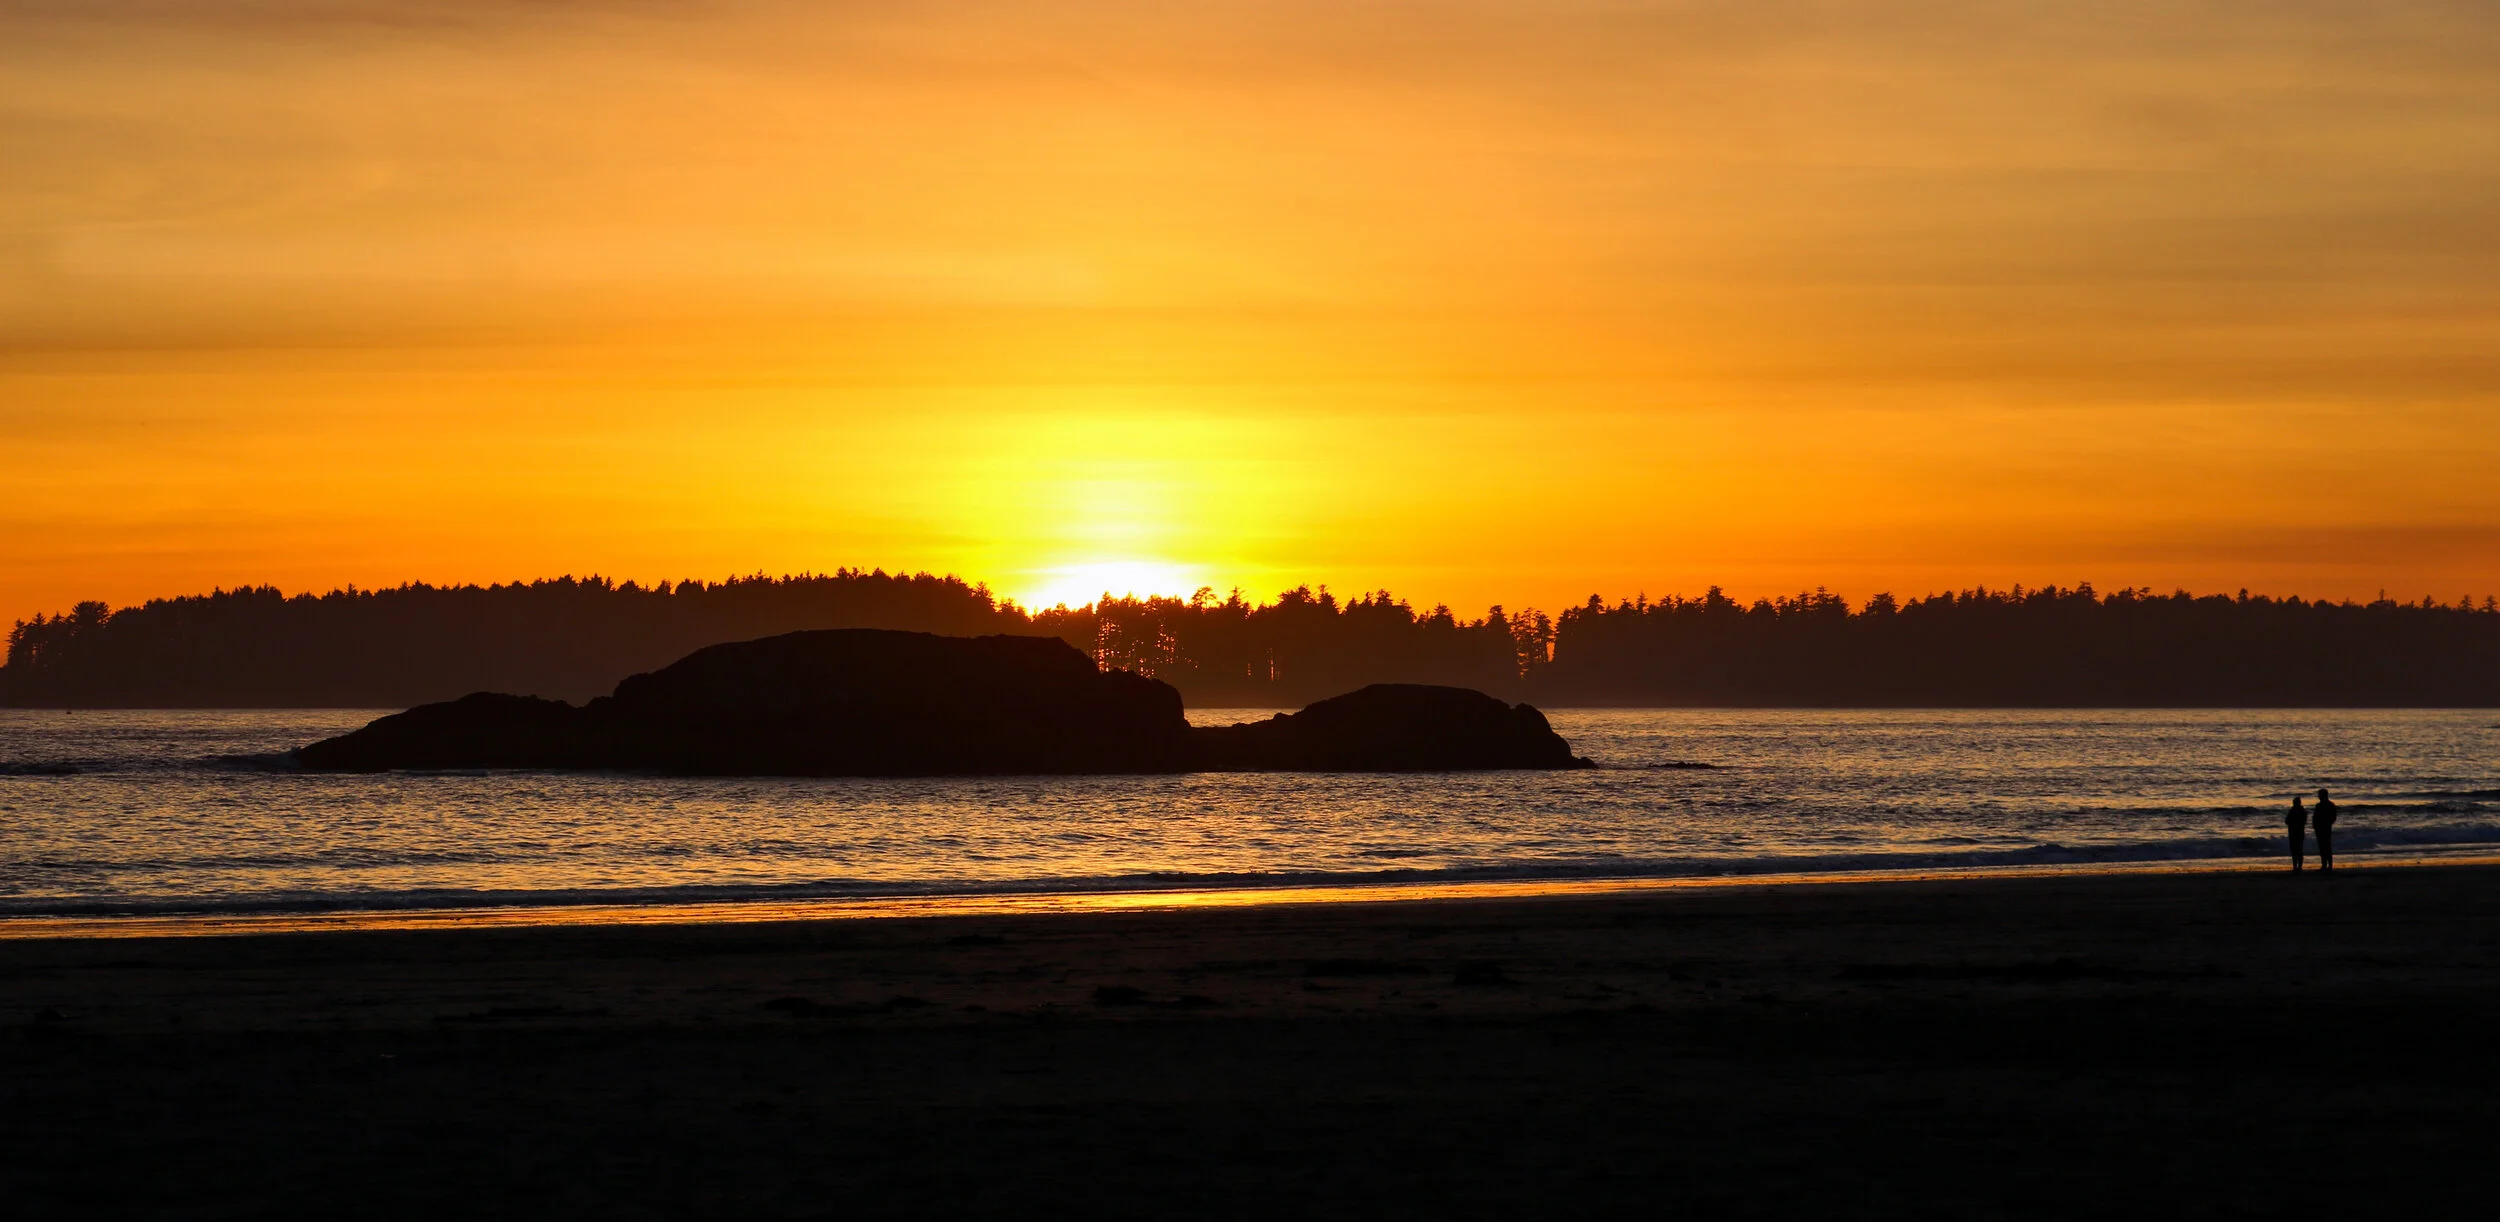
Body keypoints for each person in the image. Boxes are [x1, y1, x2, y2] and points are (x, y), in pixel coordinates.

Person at [2313, 788, 2338, 873]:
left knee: (2326, 847)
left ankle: (2329, 866)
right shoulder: (2319, 805)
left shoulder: (2329, 805)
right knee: (2322, 847)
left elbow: (2333, 817)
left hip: (2325, 828)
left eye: (2320, 795)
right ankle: (2324, 865)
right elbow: (2315, 817)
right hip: (2320, 828)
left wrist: (2327, 823)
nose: (2319, 796)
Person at [2286, 795, 2307, 872]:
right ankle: (2298, 867)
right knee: (2299, 851)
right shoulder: (2302, 811)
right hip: (2299, 833)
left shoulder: (2293, 811)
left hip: (2294, 833)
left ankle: (2296, 867)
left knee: (2295, 851)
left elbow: (2287, 821)